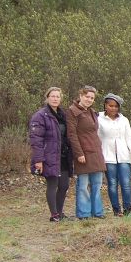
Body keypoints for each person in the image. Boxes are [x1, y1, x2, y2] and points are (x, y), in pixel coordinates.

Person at [29, 87, 73, 222]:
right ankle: (53, 214)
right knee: (53, 185)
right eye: (52, 96)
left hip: (63, 156)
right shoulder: (40, 116)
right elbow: (36, 140)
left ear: (61, 99)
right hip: (49, 156)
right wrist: (38, 160)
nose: (55, 99)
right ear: (47, 98)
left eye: (57, 96)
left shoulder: (63, 115)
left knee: (64, 185)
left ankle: (59, 212)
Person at [66, 85, 106, 220]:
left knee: (97, 183)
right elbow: (72, 135)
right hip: (83, 152)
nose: (89, 99)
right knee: (83, 185)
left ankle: (97, 211)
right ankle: (84, 213)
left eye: (92, 98)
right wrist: (79, 154)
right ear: (81, 96)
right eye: (87, 97)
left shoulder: (91, 112)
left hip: (96, 152)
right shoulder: (72, 111)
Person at [97, 93, 131, 217]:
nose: (113, 108)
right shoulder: (98, 118)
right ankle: (116, 209)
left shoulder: (124, 119)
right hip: (107, 155)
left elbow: (128, 137)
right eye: (111, 106)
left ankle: (127, 209)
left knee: (125, 183)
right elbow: (97, 137)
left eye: (116, 106)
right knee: (112, 184)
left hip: (123, 155)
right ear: (105, 105)